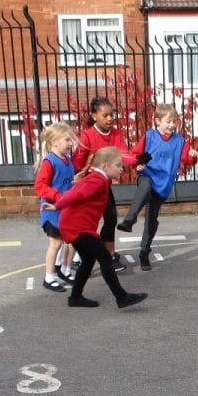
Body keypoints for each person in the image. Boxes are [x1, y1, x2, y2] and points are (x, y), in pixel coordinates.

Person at [56, 146, 147, 309]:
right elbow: (77, 194)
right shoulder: (98, 181)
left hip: (72, 225)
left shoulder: (97, 178)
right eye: (118, 165)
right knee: (105, 257)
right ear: (105, 166)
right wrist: (57, 205)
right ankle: (121, 297)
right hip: (77, 227)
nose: (121, 169)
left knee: (88, 260)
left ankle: (75, 298)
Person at [116, 104, 198, 270]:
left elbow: (188, 159)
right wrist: (136, 165)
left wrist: (193, 156)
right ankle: (129, 220)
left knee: (151, 220)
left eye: (174, 121)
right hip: (148, 175)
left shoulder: (180, 141)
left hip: (163, 183)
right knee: (144, 187)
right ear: (157, 121)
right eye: (168, 121)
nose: (172, 125)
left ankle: (144, 252)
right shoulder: (149, 137)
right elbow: (134, 155)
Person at [72, 97, 143, 272]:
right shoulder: (87, 136)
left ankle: (110, 254)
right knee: (89, 221)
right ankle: (78, 255)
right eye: (105, 115)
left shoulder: (116, 134)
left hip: (104, 185)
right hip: (88, 186)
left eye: (112, 115)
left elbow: (123, 154)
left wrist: (136, 161)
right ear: (94, 116)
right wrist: (81, 176)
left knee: (110, 217)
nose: (110, 119)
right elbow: (78, 162)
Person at [33, 123, 77, 291]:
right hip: (52, 211)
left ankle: (65, 270)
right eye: (67, 140)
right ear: (54, 142)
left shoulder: (68, 160)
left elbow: (69, 183)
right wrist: (58, 197)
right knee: (56, 244)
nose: (71, 143)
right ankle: (49, 277)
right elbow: (40, 186)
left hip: (67, 209)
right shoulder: (49, 162)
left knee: (72, 241)